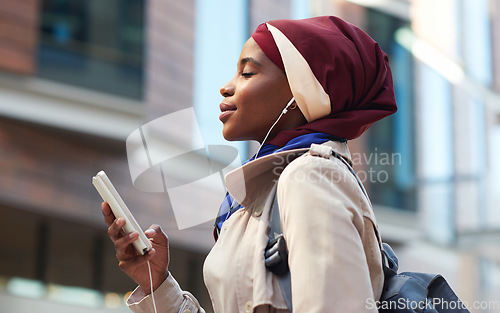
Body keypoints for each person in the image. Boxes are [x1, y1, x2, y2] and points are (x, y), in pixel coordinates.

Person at [102, 16, 397, 313]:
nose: (226, 88)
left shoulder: (311, 175)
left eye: (247, 73)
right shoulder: (259, 194)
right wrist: (157, 284)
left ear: (299, 91)